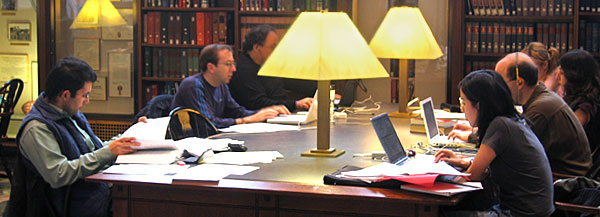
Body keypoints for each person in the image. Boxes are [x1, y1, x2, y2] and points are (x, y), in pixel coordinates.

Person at [6, 57, 140, 217]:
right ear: (65, 95)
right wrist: (110, 152)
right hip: (69, 207)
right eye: (85, 95)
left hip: (93, 196)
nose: (87, 101)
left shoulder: (69, 114)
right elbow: (59, 174)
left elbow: (94, 149)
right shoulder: (36, 129)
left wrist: (131, 135)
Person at [449, 52, 592, 176]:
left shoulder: (541, 108)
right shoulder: (540, 98)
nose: (496, 88)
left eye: (500, 82)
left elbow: (507, 148)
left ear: (519, 83)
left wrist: (471, 153)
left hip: (563, 181)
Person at [436, 70, 554, 216]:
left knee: (440, 212)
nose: (462, 109)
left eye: (464, 102)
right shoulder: (512, 120)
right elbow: (488, 170)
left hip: (520, 213)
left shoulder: (500, 126)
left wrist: (436, 177)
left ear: (478, 105)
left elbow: (473, 176)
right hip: (534, 209)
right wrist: (464, 162)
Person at [171, 44, 289, 128]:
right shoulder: (193, 85)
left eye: (233, 64)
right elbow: (208, 123)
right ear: (211, 67)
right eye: (228, 64)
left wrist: (265, 112)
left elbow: (237, 111)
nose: (234, 69)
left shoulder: (221, 85)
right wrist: (245, 120)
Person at [229, 24, 313, 111]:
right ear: (257, 47)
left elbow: (295, 81)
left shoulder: (268, 64)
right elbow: (258, 103)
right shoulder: (243, 69)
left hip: (281, 115)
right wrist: (295, 104)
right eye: (272, 47)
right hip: (260, 119)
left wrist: (322, 86)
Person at [559, 49, 600, 154]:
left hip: (578, 162)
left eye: (562, 73)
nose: (558, 76)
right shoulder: (584, 98)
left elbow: (567, 139)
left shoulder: (584, 107)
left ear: (574, 76)